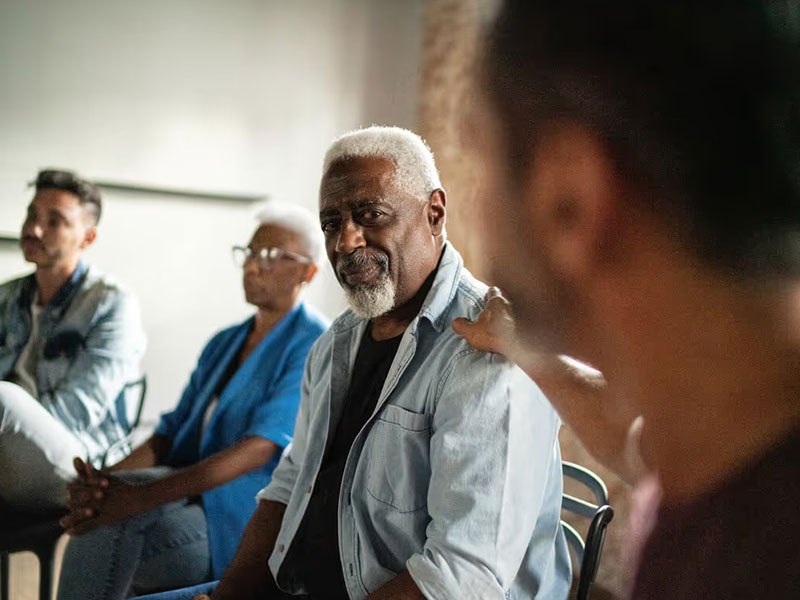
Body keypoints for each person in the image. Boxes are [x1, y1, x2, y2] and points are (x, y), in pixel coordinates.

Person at [140, 126, 571, 600]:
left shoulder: (488, 352)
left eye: (369, 214)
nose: (345, 241)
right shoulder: (335, 344)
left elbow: (461, 577)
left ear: (434, 213)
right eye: (331, 223)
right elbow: (288, 489)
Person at [471, 1, 800, 598]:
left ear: (569, 197)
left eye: (482, 161)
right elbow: (632, 444)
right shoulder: (725, 434)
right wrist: (519, 347)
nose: (480, 212)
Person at [55, 203, 329, 600]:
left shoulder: (315, 342)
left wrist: (139, 498)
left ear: (308, 272)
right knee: (104, 510)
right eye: (249, 253)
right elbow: (167, 436)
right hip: (185, 497)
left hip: (245, 518)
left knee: (112, 526)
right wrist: (104, 482)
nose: (253, 266)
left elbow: (258, 450)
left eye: (270, 256)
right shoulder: (225, 341)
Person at [0, 168, 146, 509]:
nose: (34, 229)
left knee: (3, 399)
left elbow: (78, 412)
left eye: (55, 221)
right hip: (6, 448)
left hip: (79, 462)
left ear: (87, 238)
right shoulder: (7, 297)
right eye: (32, 215)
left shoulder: (112, 304)